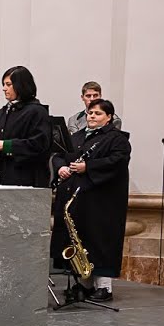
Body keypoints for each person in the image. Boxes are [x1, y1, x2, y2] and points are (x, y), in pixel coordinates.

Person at [50, 99, 131, 302]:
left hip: (102, 202)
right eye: (90, 113)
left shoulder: (117, 139)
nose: (92, 117)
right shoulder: (76, 136)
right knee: (81, 242)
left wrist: (89, 167)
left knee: (100, 241)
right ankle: (84, 284)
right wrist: (60, 167)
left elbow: (117, 161)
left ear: (109, 117)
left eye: (97, 113)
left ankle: (104, 287)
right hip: (77, 200)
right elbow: (60, 154)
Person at [0, 65, 52, 187]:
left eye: (8, 85)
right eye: (3, 84)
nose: (4, 89)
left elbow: (40, 145)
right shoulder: (1, 113)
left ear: (21, 85)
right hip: (3, 178)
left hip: (26, 179)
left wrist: (6, 145)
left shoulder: (37, 111)